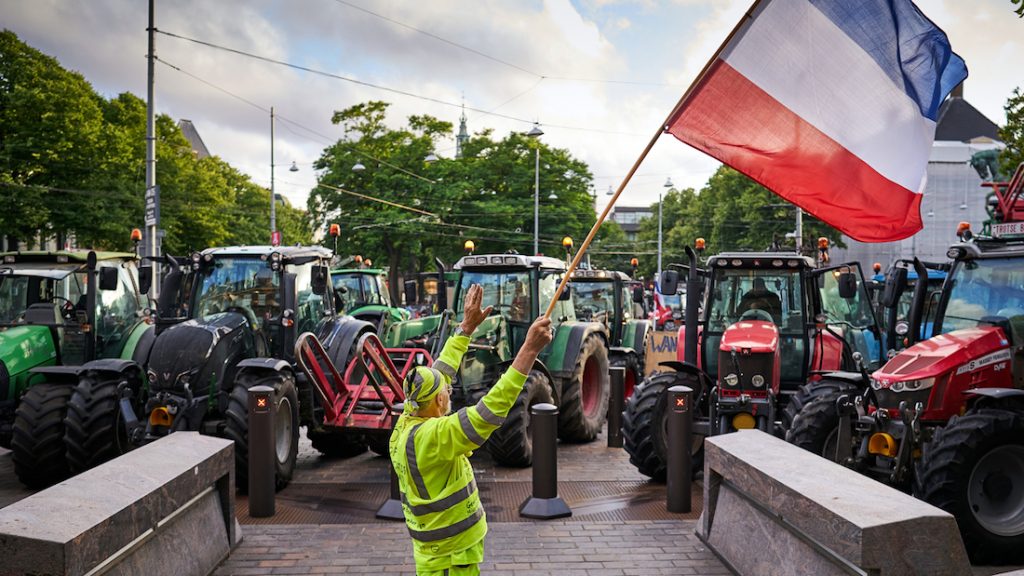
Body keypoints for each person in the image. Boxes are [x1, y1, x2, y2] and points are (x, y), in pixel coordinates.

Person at [390, 284, 553, 576]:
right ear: (440, 400)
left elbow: (441, 372)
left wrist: (465, 328)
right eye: (447, 391)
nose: (449, 388)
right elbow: (488, 411)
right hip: (453, 556)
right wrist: (528, 350)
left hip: (432, 552)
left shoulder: (406, 421)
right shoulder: (434, 437)